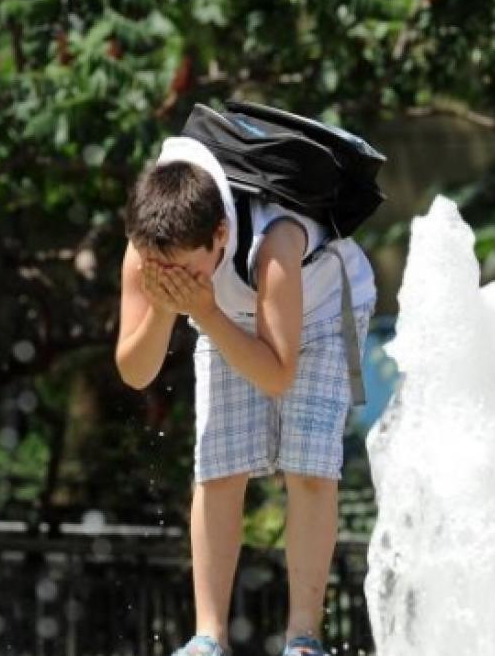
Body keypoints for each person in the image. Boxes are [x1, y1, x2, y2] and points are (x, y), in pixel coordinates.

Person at [115, 135, 376, 656]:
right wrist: (168, 306)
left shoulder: (275, 241)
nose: (170, 278)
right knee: (218, 468)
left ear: (219, 236)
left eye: (184, 270)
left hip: (320, 312)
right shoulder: (152, 251)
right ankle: (207, 637)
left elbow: (277, 375)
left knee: (307, 467)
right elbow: (135, 372)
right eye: (158, 268)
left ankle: (304, 636)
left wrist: (205, 313)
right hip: (226, 313)